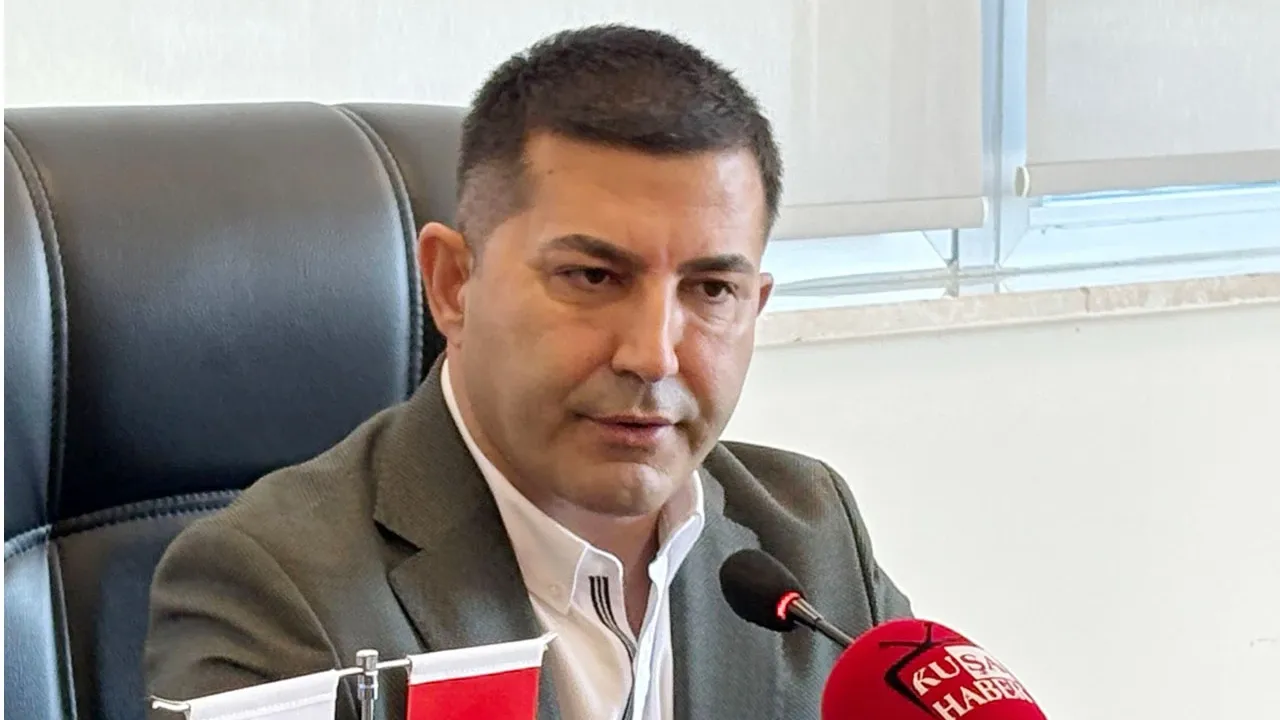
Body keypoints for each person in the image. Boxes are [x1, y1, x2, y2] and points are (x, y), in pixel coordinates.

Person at [144, 24, 911, 720]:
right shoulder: (277, 583)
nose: (653, 354)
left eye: (712, 290)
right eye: (592, 277)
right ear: (453, 284)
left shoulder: (810, 531)